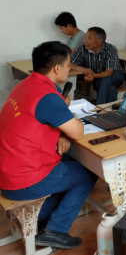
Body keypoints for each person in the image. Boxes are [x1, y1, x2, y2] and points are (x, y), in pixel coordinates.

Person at [0, 42, 98, 250]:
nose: (69, 69)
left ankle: (42, 219)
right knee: (89, 172)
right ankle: (55, 230)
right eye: (68, 65)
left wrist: (62, 130)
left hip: (8, 171)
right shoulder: (48, 98)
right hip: (23, 180)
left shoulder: (26, 85)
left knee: (69, 164)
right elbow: (78, 131)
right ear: (57, 68)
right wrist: (64, 113)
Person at [71, 27, 124, 104]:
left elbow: (109, 72)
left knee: (105, 80)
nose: (85, 41)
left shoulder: (110, 49)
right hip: (98, 78)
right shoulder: (82, 48)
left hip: (115, 75)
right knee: (111, 89)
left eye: (89, 38)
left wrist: (93, 75)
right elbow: (69, 63)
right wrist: (83, 69)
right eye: (85, 37)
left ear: (99, 41)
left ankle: (99, 107)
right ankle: (108, 110)